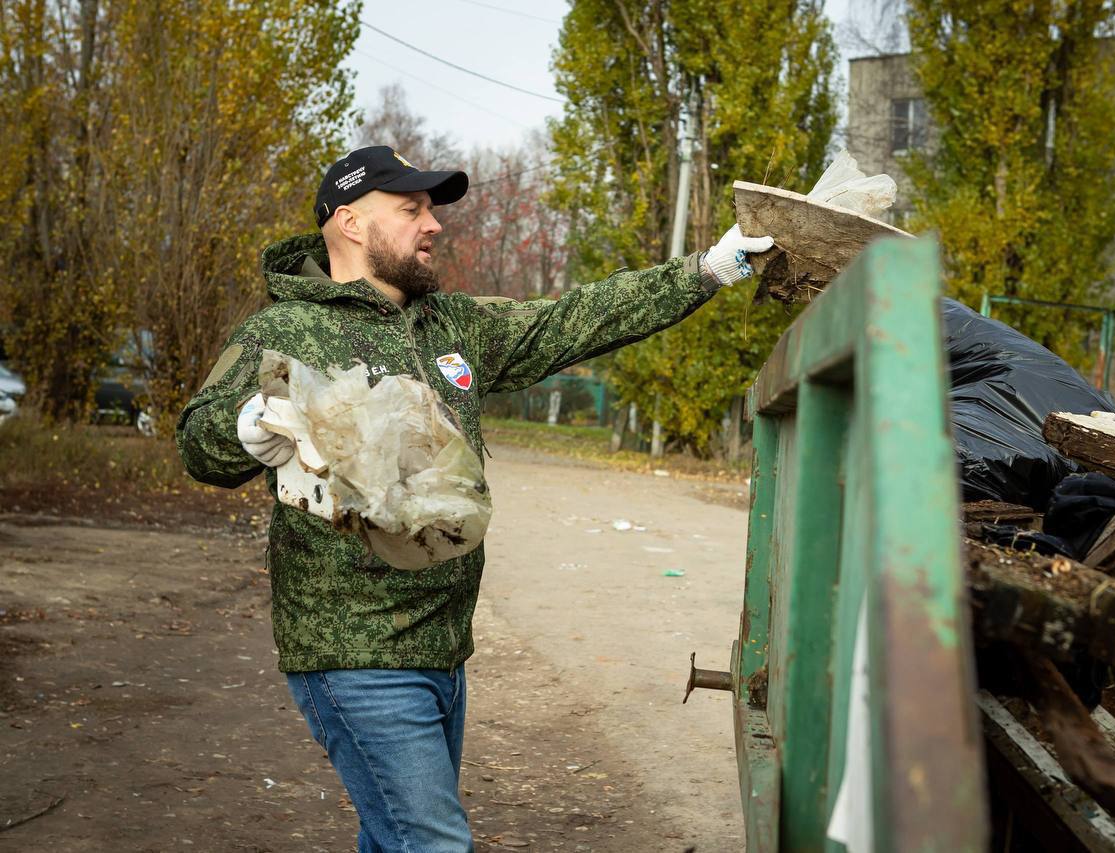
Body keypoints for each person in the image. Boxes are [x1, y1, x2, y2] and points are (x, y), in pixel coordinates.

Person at [176, 145, 774, 852]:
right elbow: (198, 442)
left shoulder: (453, 327)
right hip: (354, 652)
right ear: (351, 223)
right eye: (412, 208)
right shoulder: (283, 332)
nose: (433, 224)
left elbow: (577, 319)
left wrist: (711, 268)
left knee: (391, 835)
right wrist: (247, 423)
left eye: (432, 208)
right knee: (432, 842)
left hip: (442, 651)